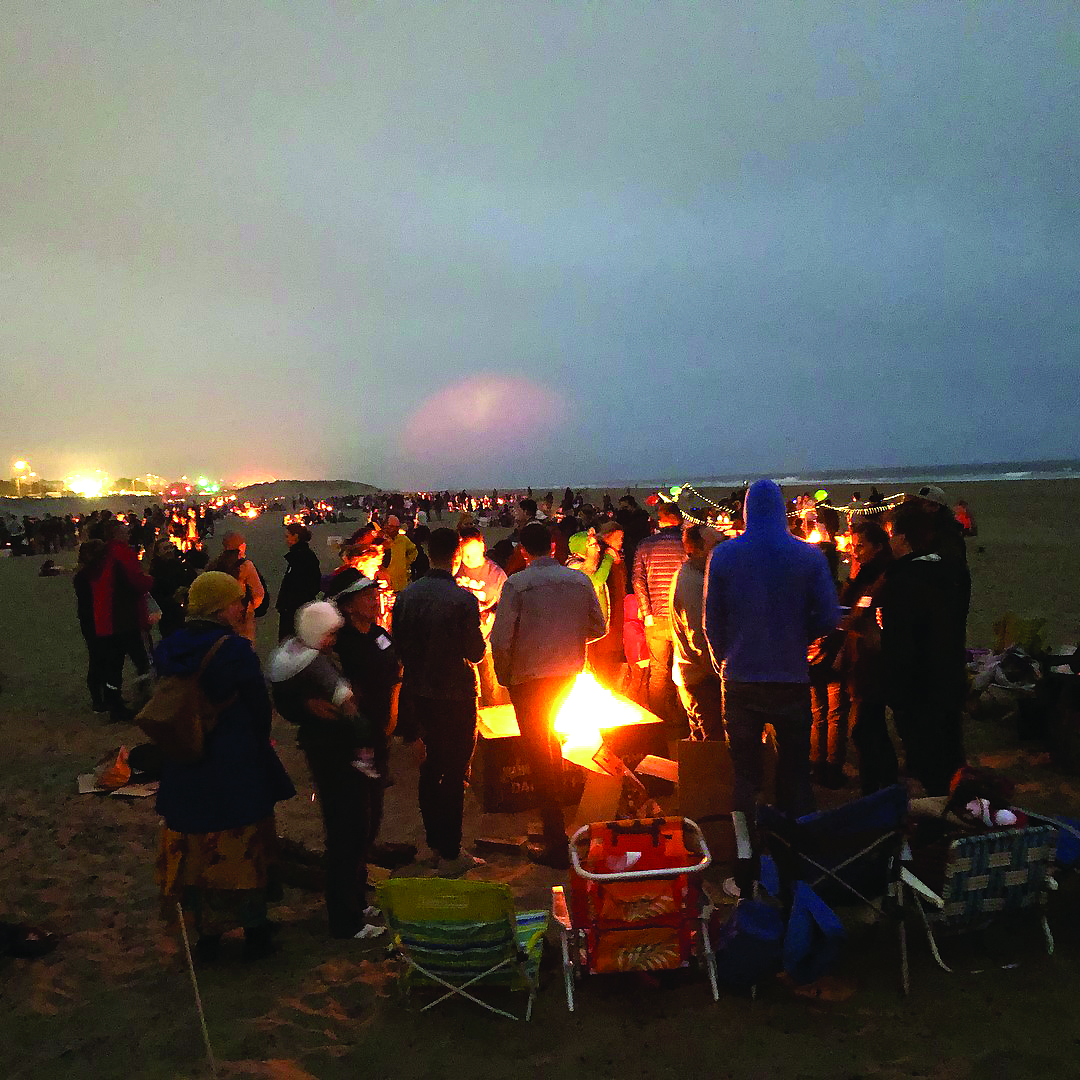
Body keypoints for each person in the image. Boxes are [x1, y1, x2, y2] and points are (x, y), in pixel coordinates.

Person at [704, 479, 840, 894]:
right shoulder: (808, 555)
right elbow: (829, 615)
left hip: (742, 679)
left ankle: (746, 866)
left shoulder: (724, 554)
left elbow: (712, 622)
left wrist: (724, 658)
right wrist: (802, 636)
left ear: (746, 512)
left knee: (745, 776)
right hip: (790, 678)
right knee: (796, 774)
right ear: (783, 512)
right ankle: (801, 862)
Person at [154, 572, 296, 962]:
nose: (242, 608)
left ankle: (208, 936)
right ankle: (254, 932)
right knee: (243, 847)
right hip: (233, 761)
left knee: (197, 850)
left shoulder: (169, 649)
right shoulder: (233, 651)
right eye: (237, 602)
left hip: (185, 759)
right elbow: (257, 707)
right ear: (220, 606)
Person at [491, 521, 606, 868]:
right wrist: (567, 641)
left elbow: (499, 639)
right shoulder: (578, 579)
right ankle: (556, 825)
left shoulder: (517, 584)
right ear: (554, 548)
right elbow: (598, 627)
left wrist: (504, 675)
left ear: (524, 551)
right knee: (549, 741)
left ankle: (556, 841)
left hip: (527, 677)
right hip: (566, 672)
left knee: (539, 751)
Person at [269, 601, 379, 938]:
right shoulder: (312, 666)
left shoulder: (302, 656)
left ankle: (356, 901)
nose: (334, 639)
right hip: (334, 753)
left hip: (339, 750)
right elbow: (330, 699)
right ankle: (345, 918)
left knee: (359, 828)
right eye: (330, 633)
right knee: (347, 830)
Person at [391, 528, 487, 876]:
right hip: (456, 695)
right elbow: (475, 652)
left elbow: (397, 647)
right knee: (455, 772)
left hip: (419, 692)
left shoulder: (406, 597)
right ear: (457, 556)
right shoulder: (462, 599)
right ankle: (450, 851)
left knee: (430, 771)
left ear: (428, 553)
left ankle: (435, 844)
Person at [880, 502, 967, 795]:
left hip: (920, 689)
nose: (889, 541)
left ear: (903, 538)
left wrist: (897, 693)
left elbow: (900, 645)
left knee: (926, 768)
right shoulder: (949, 573)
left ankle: (937, 826)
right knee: (950, 760)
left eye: (891, 534)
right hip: (949, 678)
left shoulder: (903, 583)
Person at [333, 577, 405, 866]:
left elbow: (396, 667)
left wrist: (395, 711)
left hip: (381, 726)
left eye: (375, 594)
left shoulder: (378, 633)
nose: (375, 600)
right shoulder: (340, 643)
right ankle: (356, 854)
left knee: (375, 794)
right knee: (356, 796)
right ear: (349, 606)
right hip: (354, 733)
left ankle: (369, 845)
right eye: (367, 596)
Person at [837, 519, 898, 794]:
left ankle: (875, 788)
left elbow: (862, 606)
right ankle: (884, 783)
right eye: (853, 546)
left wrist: (854, 617)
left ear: (878, 545)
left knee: (862, 728)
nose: (855, 551)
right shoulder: (865, 571)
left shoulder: (884, 573)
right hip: (863, 658)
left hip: (873, 659)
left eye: (860, 546)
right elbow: (847, 604)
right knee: (872, 727)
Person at [86, 519, 155, 721]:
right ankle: (139, 700)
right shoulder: (120, 552)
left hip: (105, 617)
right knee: (141, 660)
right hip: (123, 616)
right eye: (124, 531)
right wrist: (150, 581)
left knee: (113, 663)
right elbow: (135, 580)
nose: (128, 533)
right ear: (117, 534)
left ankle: (112, 699)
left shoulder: (101, 554)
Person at [631, 502, 687, 729]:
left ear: (660, 519)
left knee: (658, 671)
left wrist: (647, 613)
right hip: (683, 617)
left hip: (655, 616)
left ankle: (657, 721)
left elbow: (637, 579)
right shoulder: (687, 543)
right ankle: (684, 718)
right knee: (684, 668)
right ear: (679, 519)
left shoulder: (645, 545)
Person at [669, 525, 724, 739]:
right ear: (696, 550)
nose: (721, 551)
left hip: (696, 676)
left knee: (702, 740)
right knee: (712, 744)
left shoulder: (698, 576)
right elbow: (698, 639)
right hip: (700, 679)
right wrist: (720, 672)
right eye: (716, 546)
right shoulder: (691, 582)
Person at [455, 526, 509, 706]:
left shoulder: (496, 574)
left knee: (492, 691)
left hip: (488, 644)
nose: (470, 560)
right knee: (467, 695)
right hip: (460, 645)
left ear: (483, 547)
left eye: (474, 554)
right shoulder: (455, 570)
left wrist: (492, 613)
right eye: (466, 555)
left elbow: (507, 607)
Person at [209, 532, 265, 643]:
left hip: (218, 615)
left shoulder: (214, 564)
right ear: (240, 546)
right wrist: (249, 609)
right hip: (241, 617)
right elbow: (258, 593)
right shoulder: (245, 566)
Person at [276, 523, 321, 641]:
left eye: (287, 536)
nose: (285, 540)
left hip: (296, 610)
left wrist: (289, 604)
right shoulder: (298, 555)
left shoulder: (302, 557)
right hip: (293, 608)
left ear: (295, 536)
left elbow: (306, 583)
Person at [379, 515, 418, 593]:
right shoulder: (378, 540)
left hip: (401, 584)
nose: (395, 530)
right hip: (384, 584)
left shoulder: (403, 539)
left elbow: (414, 551)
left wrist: (405, 563)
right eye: (392, 526)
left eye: (397, 527)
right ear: (385, 526)